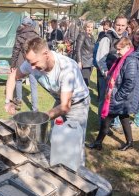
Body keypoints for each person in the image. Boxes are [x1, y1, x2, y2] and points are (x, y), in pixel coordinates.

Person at [5, 37, 90, 168]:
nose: (32, 67)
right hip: (60, 100)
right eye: (29, 63)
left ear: (46, 54)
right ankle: (58, 169)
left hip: (78, 103)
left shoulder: (67, 67)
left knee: (74, 145)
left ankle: (79, 176)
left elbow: (65, 106)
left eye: (35, 63)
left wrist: (39, 119)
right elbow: (13, 76)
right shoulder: (31, 63)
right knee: (55, 139)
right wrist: (9, 100)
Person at [87, 37, 139, 151]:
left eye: (119, 49)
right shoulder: (125, 58)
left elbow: (129, 83)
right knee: (124, 118)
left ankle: (98, 143)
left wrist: (118, 97)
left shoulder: (130, 60)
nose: (117, 52)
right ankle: (130, 142)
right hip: (121, 97)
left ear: (127, 47)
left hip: (121, 97)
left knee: (106, 119)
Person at [96, 15, 128, 134]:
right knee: (104, 101)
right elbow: (100, 59)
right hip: (106, 76)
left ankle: (114, 124)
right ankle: (102, 126)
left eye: (123, 25)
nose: (120, 27)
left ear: (126, 26)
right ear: (114, 24)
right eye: (118, 25)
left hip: (119, 76)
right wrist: (106, 74)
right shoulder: (107, 38)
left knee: (115, 100)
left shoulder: (125, 37)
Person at [11, 17, 39, 111]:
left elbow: (16, 50)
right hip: (33, 62)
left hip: (22, 60)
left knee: (18, 80)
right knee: (33, 85)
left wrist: (13, 65)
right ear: (30, 25)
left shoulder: (20, 35)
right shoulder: (36, 35)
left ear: (23, 24)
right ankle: (35, 109)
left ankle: (18, 100)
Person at [74, 20, 95, 86]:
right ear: (85, 27)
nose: (90, 29)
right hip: (84, 62)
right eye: (88, 27)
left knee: (87, 80)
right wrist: (79, 62)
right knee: (83, 82)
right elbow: (78, 49)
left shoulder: (92, 37)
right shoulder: (82, 35)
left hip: (90, 62)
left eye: (91, 27)